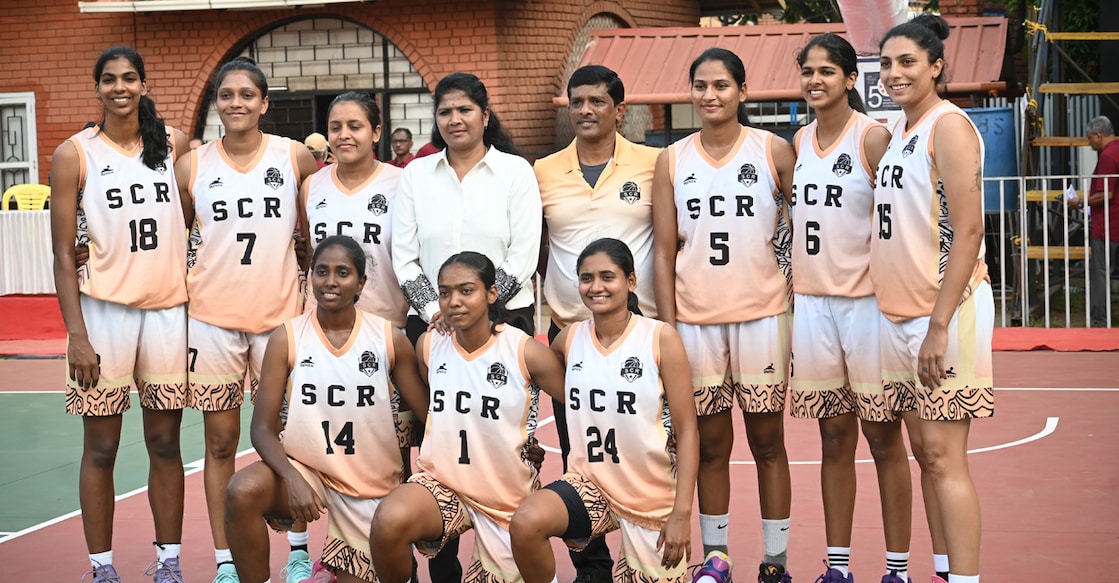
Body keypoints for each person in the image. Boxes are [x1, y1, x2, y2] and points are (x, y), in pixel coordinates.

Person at [651, 47, 796, 583]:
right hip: (694, 320)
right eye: (700, 85)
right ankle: (717, 557)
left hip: (762, 316)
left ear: (742, 91)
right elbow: (663, 251)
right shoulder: (672, 159)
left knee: (767, 441)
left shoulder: (774, 151)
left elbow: (801, 235)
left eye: (721, 85)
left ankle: (775, 560)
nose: (709, 95)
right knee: (710, 444)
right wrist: (667, 327)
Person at [50, 45, 192, 583]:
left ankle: (169, 560)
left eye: (129, 78)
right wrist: (75, 334)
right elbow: (65, 252)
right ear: (98, 88)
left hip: (166, 312)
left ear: (143, 83)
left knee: (164, 441)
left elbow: (206, 211)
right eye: (109, 79)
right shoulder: (74, 153)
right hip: (103, 314)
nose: (119, 87)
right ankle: (102, 567)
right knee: (102, 447)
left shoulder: (175, 143)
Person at [175, 56, 319, 583]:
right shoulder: (192, 166)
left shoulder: (295, 157)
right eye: (226, 94)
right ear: (218, 102)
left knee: (288, 437)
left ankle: (299, 549)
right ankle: (225, 559)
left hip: (280, 320)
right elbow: (177, 241)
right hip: (211, 321)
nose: (236, 103)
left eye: (246, 94)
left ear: (264, 103)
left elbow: (312, 231)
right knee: (219, 443)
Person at [224, 235, 428, 583]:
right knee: (241, 491)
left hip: (371, 485)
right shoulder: (287, 338)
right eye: (321, 272)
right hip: (310, 472)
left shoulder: (388, 339)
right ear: (310, 278)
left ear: (361, 283)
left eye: (343, 273)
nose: (330, 281)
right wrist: (290, 476)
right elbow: (261, 429)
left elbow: (430, 417)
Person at [872, 14, 995, 583]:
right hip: (902, 312)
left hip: (943, 311)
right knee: (925, 451)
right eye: (887, 64)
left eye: (907, 63)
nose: (894, 74)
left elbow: (968, 230)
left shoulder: (948, 126)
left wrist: (940, 325)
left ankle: (966, 579)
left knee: (945, 457)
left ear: (936, 67)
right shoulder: (900, 130)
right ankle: (945, 569)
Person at [788, 33, 913, 583]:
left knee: (883, 436)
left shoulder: (874, 139)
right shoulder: (797, 140)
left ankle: (898, 569)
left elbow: (905, 221)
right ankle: (837, 568)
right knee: (833, 436)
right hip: (813, 307)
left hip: (866, 308)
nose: (815, 81)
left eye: (826, 72)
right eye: (807, 71)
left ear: (849, 79)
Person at [532, 64, 661, 582]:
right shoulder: (541, 171)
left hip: (640, 330)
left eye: (598, 101)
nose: (586, 110)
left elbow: (670, 244)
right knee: (577, 452)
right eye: (577, 101)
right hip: (570, 335)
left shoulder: (655, 164)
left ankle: (646, 557)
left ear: (619, 110)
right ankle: (592, 564)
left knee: (645, 448)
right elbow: (533, 251)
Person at [368, 251, 566, 583]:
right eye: (445, 292)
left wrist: (532, 443)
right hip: (444, 482)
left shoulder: (525, 351)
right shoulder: (430, 345)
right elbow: (434, 408)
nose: (453, 301)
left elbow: (577, 405)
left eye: (466, 290)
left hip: (504, 491)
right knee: (388, 521)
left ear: (491, 293)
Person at [509, 238, 698, 583]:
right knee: (526, 522)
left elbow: (687, 432)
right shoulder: (568, 340)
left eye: (607, 277)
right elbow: (531, 387)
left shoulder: (660, 338)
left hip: (647, 490)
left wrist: (682, 514)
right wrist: (527, 436)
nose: (596, 286)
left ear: (630, 281)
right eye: (586, 278)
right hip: (589, 485)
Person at [392, 72, 542, 345]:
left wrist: (479, 309)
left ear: (485, 116)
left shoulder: (516, 172)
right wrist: (437, 311)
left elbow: (523, 256)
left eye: (464, 110)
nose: (455, 120)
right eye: (445, 112)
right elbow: (404, 258)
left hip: (505, 318)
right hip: (432, 324)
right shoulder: (416, 175)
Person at [1068, 115, 1118, 327]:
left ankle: (1099, 322)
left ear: (1099, 135)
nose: (1089, 143)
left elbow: (1106, 194)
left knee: (1100, 275)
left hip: (1107, 225)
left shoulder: (1107, 156)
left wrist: (1080, 202)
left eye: (1090, 138)